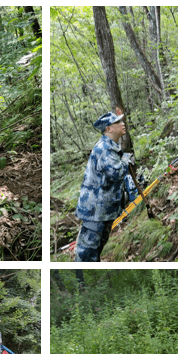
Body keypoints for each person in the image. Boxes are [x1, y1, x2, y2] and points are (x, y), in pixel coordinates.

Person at [74, 112, 134, 262]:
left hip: (104, 210)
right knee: (87, 252)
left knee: (97, 247)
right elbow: (116, 173)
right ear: (109, 129)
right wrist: (126, 160)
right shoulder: (104, 149)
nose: (122, 124)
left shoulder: (111, 146)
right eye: (118, 122)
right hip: (95, 211)